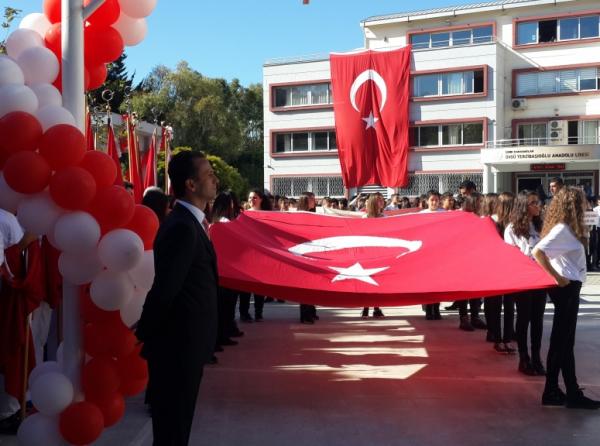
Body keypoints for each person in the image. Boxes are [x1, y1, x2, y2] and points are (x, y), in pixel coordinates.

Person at [135, 150, 219, 445]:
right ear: (190, 185)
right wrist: (145, 331)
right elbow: (165, 288)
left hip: (187, 345)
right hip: (177, 346)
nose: (215, 179)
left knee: (178, 427)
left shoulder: (192, 224)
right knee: (172, 430)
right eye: (208, 174)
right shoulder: (182, 227)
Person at [533, 186, 600, 409]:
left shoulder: (568, 228)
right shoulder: (562, 229)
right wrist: (558, 278)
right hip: (566, 289)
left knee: (564, 343)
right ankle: (559, 391)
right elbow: (538, 252)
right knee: (562, 342)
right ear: (572, 204)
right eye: (581, 201)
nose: (586, 204)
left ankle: (562, 390)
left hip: (570, 288)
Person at [504, 191, 545, 367]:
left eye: (538, 202)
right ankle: (524, 357)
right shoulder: (512, 229)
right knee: (524, 318)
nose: (538, 205)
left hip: (541, 278)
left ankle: (536, 356)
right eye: (533, 203)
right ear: (523, 206)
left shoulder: (541, 225)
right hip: (523, 280)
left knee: (538, 319)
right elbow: (510, 257)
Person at [239, 189, 271, 322]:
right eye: (250, 197)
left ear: (261, 199)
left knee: (260, 286)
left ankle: (259, 312)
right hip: (247, 254)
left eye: (255, 197)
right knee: (245, 287)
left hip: (261, 255)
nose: (252, 200)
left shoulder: (268, 215)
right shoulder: (243, 215)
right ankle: (244, 313)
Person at [361, 194, 385, 319]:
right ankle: (366, 307)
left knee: (378, 281)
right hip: (368, 253)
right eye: (379, 200)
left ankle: (376, 307)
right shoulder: (364, 218)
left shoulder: (384, 217)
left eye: (382, 200)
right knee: (367, 281)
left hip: (380, 253)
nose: (382, 202)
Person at [297, 192, 318, 323]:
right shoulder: (299, 215)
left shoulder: (314, 214)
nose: (314, 201)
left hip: (313, 252)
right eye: (312, 199)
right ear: (305, 200)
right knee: (304, 284)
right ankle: (304, 314)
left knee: (313, 284)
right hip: (302, 253)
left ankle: (311, 310)